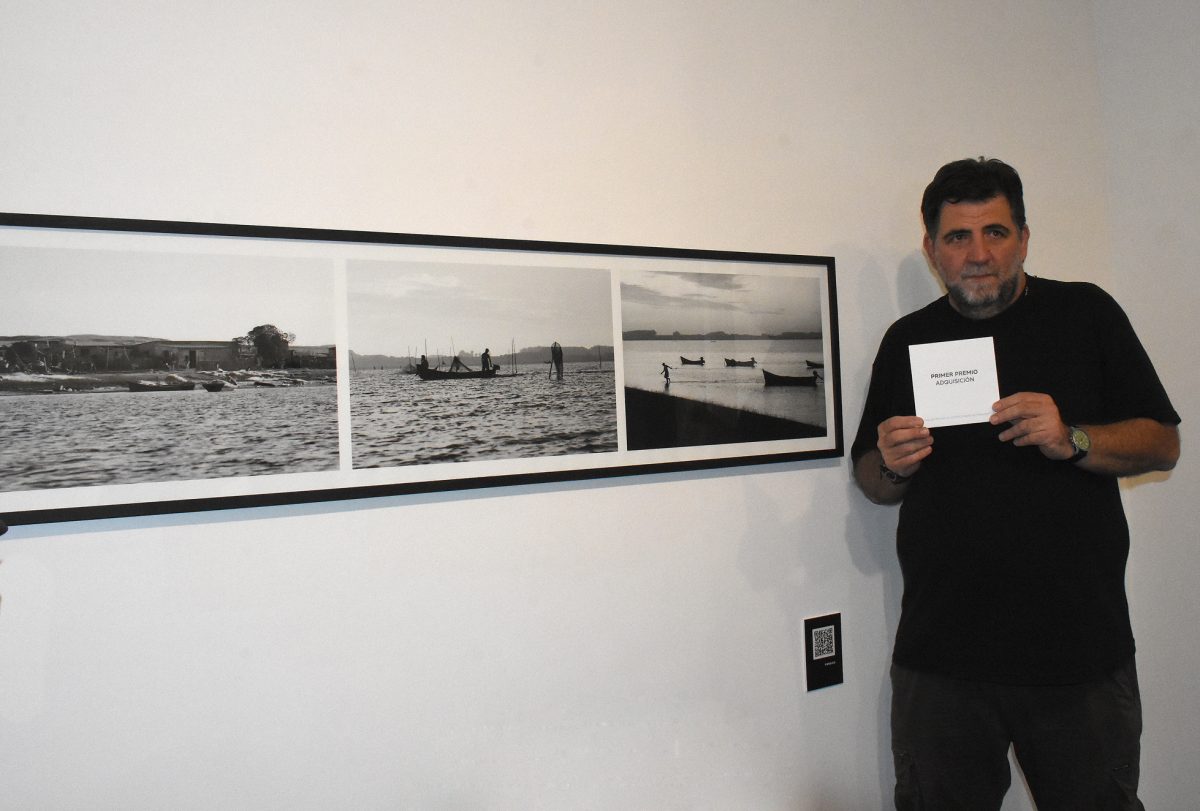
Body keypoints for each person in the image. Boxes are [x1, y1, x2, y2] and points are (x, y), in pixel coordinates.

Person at [852, 157, 1180, 810]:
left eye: (995, 233)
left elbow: (1162, 442)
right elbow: (873, 480)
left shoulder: (1087, 313)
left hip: (1079, 656)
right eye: (957, 237)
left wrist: (1073, 438)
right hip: (941, 660)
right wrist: (892, 462)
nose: (978, 254)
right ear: (932, 250)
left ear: (1024, 239)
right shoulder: (907, 339)